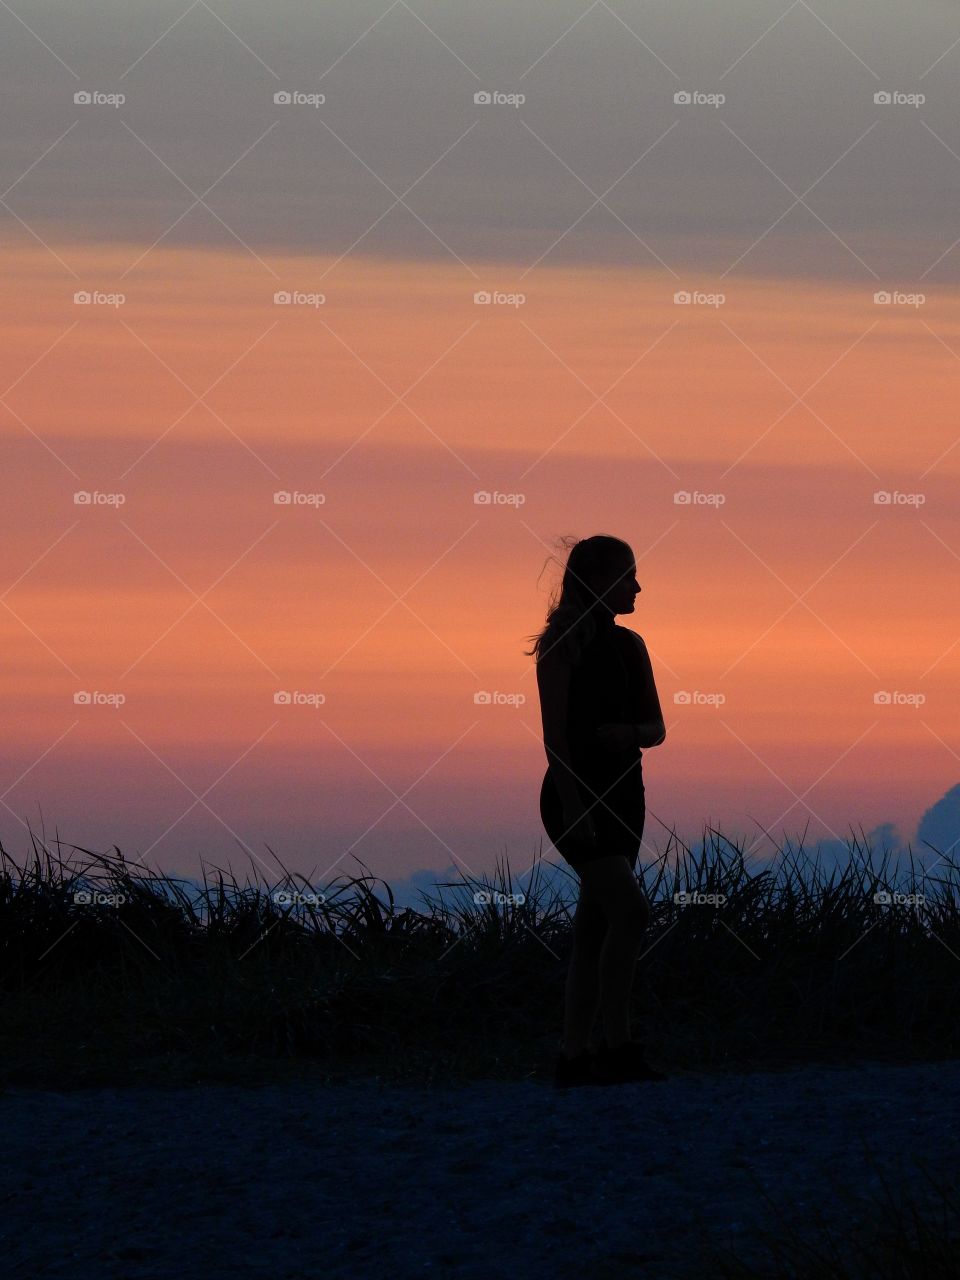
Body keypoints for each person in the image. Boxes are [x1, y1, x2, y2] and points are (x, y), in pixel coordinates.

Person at [527, 534, 668, 1087]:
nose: (637, 586)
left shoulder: (632, 646)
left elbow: (656, 729)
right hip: (576, 797)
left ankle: (573, 1056)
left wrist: (628, 733)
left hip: (626, 794)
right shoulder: (561, 644)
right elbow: (554, 738)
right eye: (627, 575)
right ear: (599, 580)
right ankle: (619, 1045)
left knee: (594, 928)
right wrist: (573, 804)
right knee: (631, 913)